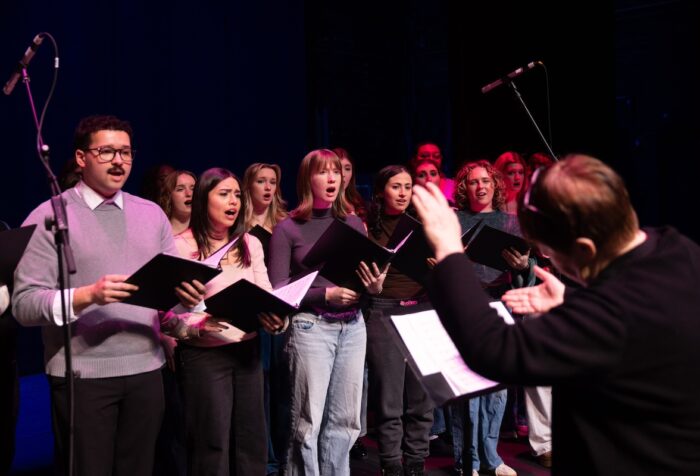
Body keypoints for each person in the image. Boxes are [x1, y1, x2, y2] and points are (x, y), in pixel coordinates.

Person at [412, 154, 700, 475]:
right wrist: (570, 296)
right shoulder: (678, 247)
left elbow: (493, 350)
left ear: (585, 249)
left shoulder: (604, 318)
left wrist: (450, 252)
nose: (547, 257)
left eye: (551, 252)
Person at [12, 115, 204, 476]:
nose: (119, 161)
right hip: (83, 378)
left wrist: (188, 297)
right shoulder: (49, 217)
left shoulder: (151, 215)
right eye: (106, 152)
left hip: (147, 371)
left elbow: (170, 291)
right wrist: (87, 296)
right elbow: (24, 304)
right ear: (82, 158)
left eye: (126, 152)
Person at [268, 149, 384, 476]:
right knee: (307, 422)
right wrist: (326, 294)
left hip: (352, 326)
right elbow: (280, 290)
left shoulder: (352, 222)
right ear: (308, 179)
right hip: (311, 328)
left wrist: (372, 287)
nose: (332, 178)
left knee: (346, 421)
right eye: (323, 172)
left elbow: (363, 277)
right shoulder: (288, 228)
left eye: (336, 172)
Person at [173, 167, 283, 476]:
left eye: (236, 194)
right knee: (212, 444)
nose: (233, 201)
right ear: (203, 200)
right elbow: (166, 315)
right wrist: (200, 325)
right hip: (205, 356)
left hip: (248, 351)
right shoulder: (181, 246)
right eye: (223, 194)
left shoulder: (250, 243)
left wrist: (276, 319)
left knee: (252, 441)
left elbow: (266, 294)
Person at [450, 161, 532, 476]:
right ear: (464, 188)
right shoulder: (454, 221)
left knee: (496, 387)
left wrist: (523, 264)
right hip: (467, 306)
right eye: (473, 182)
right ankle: (466, 460)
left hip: (500, 305)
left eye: (486, 181)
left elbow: (527, 267)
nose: (480, 187)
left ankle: (491, 455)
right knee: (468, 388)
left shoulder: (510, 222)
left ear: (495, 186)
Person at [364, 165, 433, 476]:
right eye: (396, 186)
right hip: (383, 309)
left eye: (408, 186)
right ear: (381, 191)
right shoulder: (368, 228)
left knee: (421, 396)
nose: (403, 192)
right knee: (389, 396)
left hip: (421, 307)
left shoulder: (423, 226)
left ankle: (416, 461)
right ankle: (391, 463)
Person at [241, 162, 289, 475]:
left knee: (283, 390)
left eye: (272, 181)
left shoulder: (285, 224)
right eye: (261, 181)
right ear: (250, 186)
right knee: (260, 390)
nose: (268, 188)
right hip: (252, 315)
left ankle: (283, 456)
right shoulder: (240, 228)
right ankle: (266, 460)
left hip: (282, 315)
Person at [333, 147, 368, 222]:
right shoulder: (325, 206)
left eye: (347, 169)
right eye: (337, 169)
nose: (343, 174)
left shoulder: (357, 201)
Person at [158, 170, 196, 236]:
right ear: (169, 196)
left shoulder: (206, 234)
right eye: (180, 189)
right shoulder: (161, 234)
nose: (189, 193)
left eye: (193, 189)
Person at [493, 151, 528, 215]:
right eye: (511, 173)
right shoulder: (492, 204)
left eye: (521, 172)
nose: (517, 178)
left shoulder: (528, 203)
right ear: (500, 175)